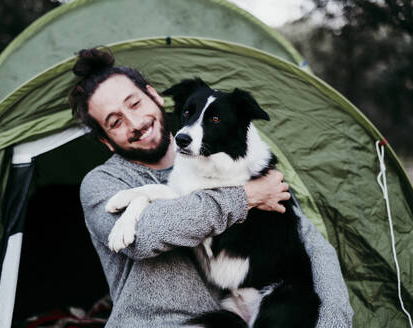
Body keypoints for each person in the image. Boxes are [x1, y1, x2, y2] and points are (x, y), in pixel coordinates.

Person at [69, 47, 353, 328]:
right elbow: (144, 235)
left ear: (154, 96)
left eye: (134, 104)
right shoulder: (102, 184)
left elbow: (314, 246)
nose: (135, 123)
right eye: (115, 121)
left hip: (225, 319)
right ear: (105, 141)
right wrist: (245, 197)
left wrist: (333, 321)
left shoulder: (240, 164)